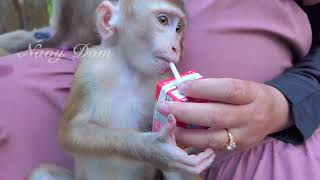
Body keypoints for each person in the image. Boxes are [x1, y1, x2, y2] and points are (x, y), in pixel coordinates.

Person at [0, 0, 319, 179]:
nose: (177, 46)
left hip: (263, 137)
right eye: (165, 22)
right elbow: (74, 132)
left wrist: (290, 100)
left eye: (179, 29)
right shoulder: (97, 63)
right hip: (80, 61)